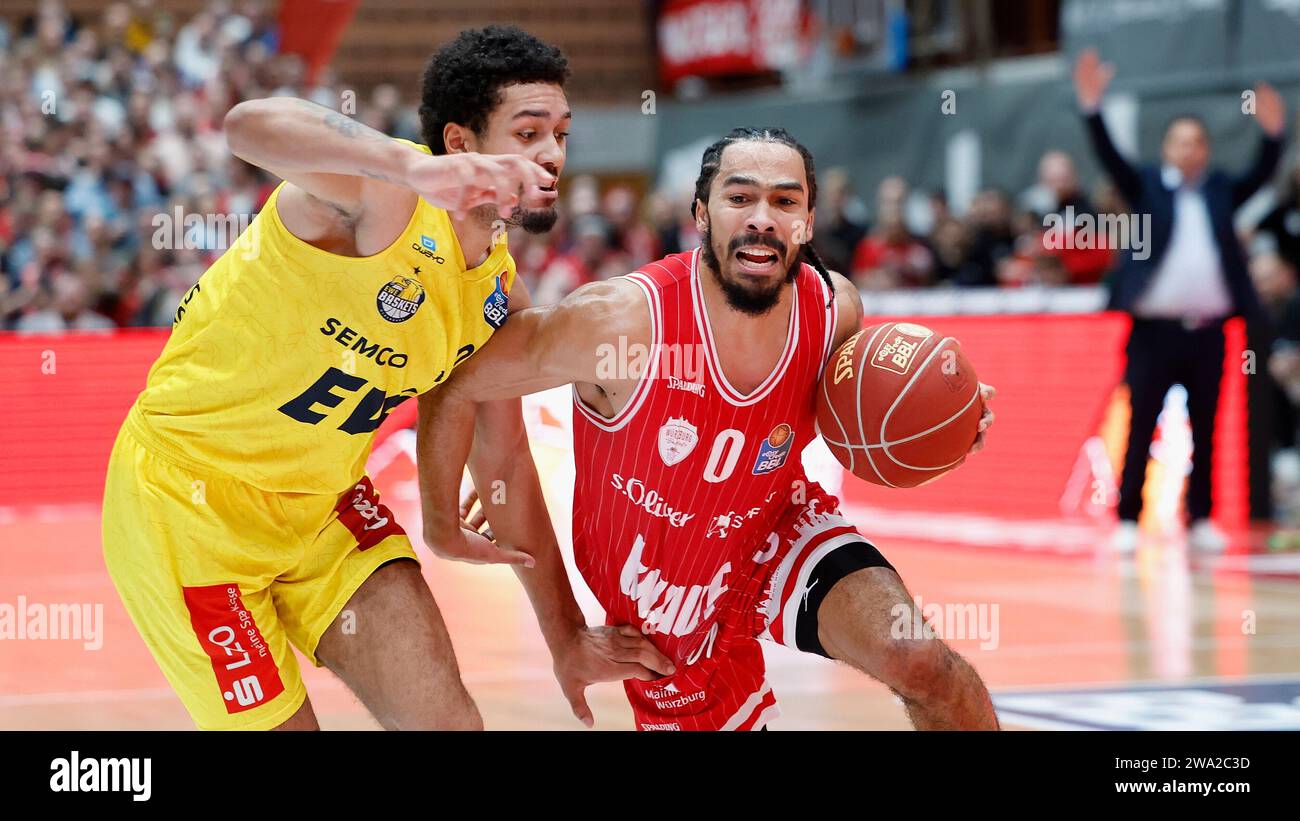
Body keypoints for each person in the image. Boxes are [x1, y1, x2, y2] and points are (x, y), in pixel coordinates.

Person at [101, 25, 661, 731]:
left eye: (561, 132)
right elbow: (249, 125)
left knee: (449, 724)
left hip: (322, 506)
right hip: (185, 507)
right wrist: (411, 166)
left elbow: (507, 466)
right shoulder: (381, 198)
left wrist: (566, 638)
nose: (551, 153)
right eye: (527, 132)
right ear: (459, 143)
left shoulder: (496, 292)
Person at [422, 127, 999, 730]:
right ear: (701, 213)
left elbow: (872, 413)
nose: (762, 218)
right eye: (740, 198)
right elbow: (458, 378)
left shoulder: (835, 311)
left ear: (807, 220)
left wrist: (952, 421)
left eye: (785, 201)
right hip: (662, 586)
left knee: (919, 659)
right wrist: (559, 626)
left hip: (776, 531)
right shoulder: (619, 323)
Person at [1073, 48, 1286, 554]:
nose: (1189, 150)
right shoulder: (1148, 187)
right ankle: (1128, 516)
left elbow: (1260, 171)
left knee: (1207, 426)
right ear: (1166, 148)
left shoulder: (1218, 190)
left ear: (1207, 150)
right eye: (1180, 141)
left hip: (1209, 330)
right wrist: (1093, 109)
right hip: (1153, 331)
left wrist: (1275, 134)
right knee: (1141, 420)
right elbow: (1109, 159)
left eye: (1197, 142)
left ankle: (1202, 518)